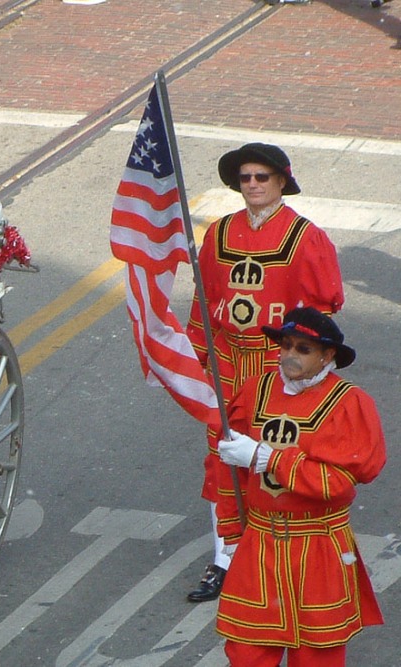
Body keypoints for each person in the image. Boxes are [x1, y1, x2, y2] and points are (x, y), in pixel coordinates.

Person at [185, 142, 344, 602]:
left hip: (276, 369)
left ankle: (277, 555)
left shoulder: (306, 238)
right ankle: (224, 558)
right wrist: (198, 356)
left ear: (280, 183)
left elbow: (320, 313)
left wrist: (303, 371)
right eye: (245, 178)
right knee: (222, 463)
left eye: (262, 177)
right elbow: (204, 298)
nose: (252, 185)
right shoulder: (217, 234)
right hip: (229, 366)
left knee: (272, 461)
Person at [216, 307, 385, 666]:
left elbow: (339, 484)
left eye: (303, 349)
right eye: (286, 345)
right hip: (259, 544)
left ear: (327, 356)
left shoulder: (350, 404)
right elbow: (228, 469)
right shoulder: (254, 390)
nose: (290, 354)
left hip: (318, 546)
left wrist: (271, 459)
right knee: (246, 652)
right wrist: (231, 530)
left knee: (316, 656)